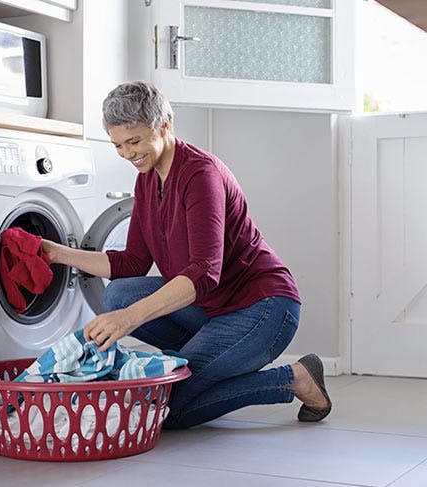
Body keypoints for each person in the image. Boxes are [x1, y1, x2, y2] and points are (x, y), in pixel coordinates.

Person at [40, 81, 332, 429]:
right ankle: (211, 362)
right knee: (117, 295)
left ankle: (292, 378)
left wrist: (130, 319)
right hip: (210, 310)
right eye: (118, 145)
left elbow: (204, 274)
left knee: (165, 408)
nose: (127, 153)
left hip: (262, 307)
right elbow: (132, 262)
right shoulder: (147, 179)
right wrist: (57, 253)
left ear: (164, 126)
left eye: (134, 141)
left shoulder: (200, 175)